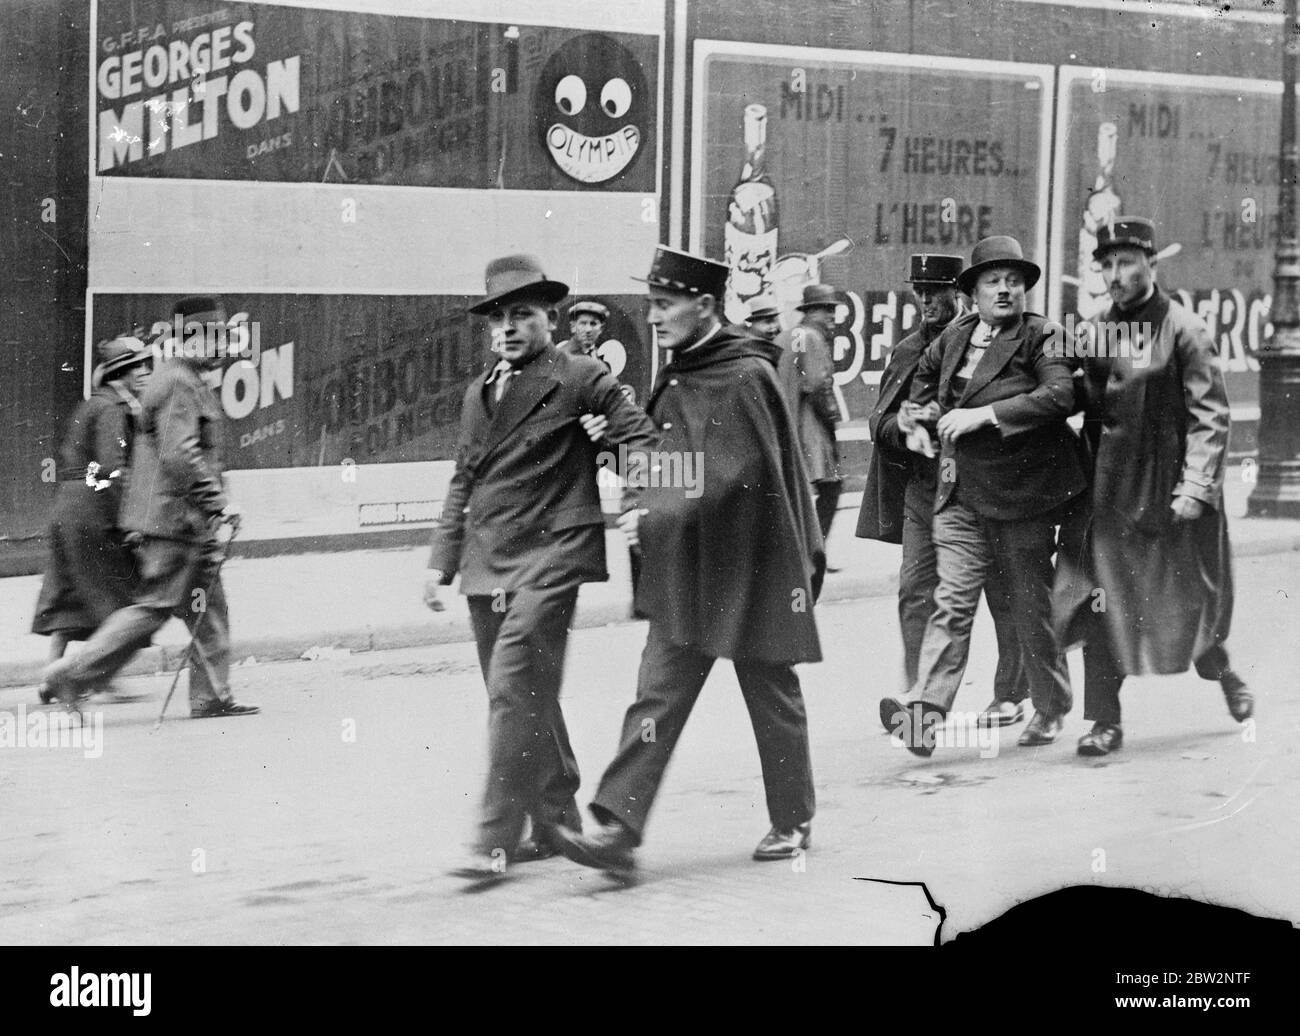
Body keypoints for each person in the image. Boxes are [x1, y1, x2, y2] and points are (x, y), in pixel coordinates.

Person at [549, 246, 824, 877]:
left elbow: (738, 474)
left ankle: (793, 820)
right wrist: (617, 453)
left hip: (754, 565)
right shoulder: (684, 371)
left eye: (664, 304)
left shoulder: (746, 374)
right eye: (650, 304)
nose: (653, 316)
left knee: (770, 692)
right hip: (692, 567)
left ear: (704, 306)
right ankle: (618, 830)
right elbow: (668, 461)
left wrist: (656, 512)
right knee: (658, 694)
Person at [424, 255, 658, 883]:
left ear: (549, 319)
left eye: (522, 314)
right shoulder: (481, 391)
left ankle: (491, 841)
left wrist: (630, 492)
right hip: (488, 561)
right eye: (498, 317)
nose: (507, 327)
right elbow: (463, 477)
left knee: (513, 685)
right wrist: (441, 561)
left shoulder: (583, 376)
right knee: (526, 695)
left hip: (555, 551)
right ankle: (557, 821)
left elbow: (643, 443)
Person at [880, 236, 1086, 756]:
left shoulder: (1045, 335)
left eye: (1013, 281)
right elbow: (922, 382)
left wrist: (986, 415)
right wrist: (916, 417)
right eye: (993, 280)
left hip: (1021, 497)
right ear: (972, 291)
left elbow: (1062, 394)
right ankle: (925, 717)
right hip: (958, 495)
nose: (1004, 289)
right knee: (951, 603)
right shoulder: (954, 338)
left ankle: (1051, 704)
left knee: (1029, 606)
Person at [1053, 217, 1252, 756]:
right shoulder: (1093, 329)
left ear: (1151, 265)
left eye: (1126, 264)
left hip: (1169, 494)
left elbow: (1210, 417)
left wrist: (1195, 488)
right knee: (1102, 604)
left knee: (1185, 605)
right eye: (1107, 266)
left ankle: (1222, 669)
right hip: (1110, 494)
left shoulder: (1184, 329)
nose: (1115, 275)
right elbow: (1068, 390)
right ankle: (1104, 722)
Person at [43, 297, 257, 720]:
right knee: (154, 609)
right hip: (175, 522)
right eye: (215, 339)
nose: (223, 348)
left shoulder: (182, 379)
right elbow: (179, 455)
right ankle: (73, 675)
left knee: (206, 607)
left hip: (181, 522)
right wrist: (219, 503)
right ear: (191, 340)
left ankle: (211, 697)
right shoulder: (179, 383)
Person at [857, 254, 1030, 725]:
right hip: (924, 487)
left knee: (1002, 592)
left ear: (960, 294)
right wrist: (904, 425)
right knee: (916, 588)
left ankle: (1010, 693)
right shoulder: (909, 350)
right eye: (920, 291)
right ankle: (920, 695)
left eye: (937, 291)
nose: (927, 301)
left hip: (981, 485)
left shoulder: (988, 338)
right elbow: (880, 419)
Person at [32, 337, 152, 703]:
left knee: (73, 595)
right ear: (121, 375)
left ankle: (49, 677)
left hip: (67, 508)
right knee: (122, 600)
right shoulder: (113, 410)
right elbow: (109, 470)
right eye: (138, 368)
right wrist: (127, 522)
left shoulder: (92, 404)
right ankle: (97, 678)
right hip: (93, 509)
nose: (145, 374)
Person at [779, 284, 844, 552]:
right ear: (810, 311)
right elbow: (818, 385)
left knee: (794, 494)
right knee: (831, 488)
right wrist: (832, 417)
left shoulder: (787, 335)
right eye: (825, 310)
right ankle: (813, 551)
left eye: (833, 310)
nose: (832, 317)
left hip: (786, 426)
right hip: (809, 429)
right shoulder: (812, 337)